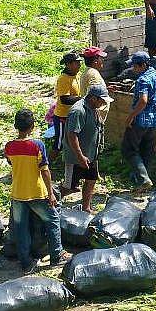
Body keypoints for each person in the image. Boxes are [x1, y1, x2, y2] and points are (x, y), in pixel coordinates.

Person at [4, 109, 71, 273]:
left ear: (15, 126)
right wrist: (51, 193)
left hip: (18, 193)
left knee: (21, 228)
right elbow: (45, 171)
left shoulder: (9, 146)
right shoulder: (37, 145)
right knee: (53, 219)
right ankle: (57, 255)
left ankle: (26, 263)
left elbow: (12, 164)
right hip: (36, 192)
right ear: (32, 126)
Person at [61, 84, 114, 213]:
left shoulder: (93, 108)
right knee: (70, 187)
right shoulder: (78, 111)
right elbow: (72, 135)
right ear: (93, 98)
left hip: (91, 154)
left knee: (91, 180)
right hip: (76, 157)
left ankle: (86, 208)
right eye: (101, 100)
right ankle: (50, 201)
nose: (103, 103)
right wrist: (80, 156)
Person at [122, 51, 156, 191]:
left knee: (128, 149)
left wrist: (131, 117)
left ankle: (143, 179)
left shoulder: (143, 80)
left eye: (135, 66)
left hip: (140, 121)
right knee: (147, 150)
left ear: (143, 65)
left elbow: (143, 101)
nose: (133, 69)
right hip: (154, 121)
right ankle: (144, 182)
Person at [44, 52, 81, 161]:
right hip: (62, 116)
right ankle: (46, 165)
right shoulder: (63, 79)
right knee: (59, 143)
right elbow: (65, 99)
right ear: (68, 65)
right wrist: (82, 99)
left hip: (73, 114)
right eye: (77, 63)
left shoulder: (77, 75)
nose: (79, 65)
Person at [80, 46, 109, 123]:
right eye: (101, 58)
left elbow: (93, 91)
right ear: (96, 61)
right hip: (95, 117)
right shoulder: (93, 74)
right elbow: (94, 98)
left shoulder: (87, 71)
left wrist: (106, 89)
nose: (102, 60)